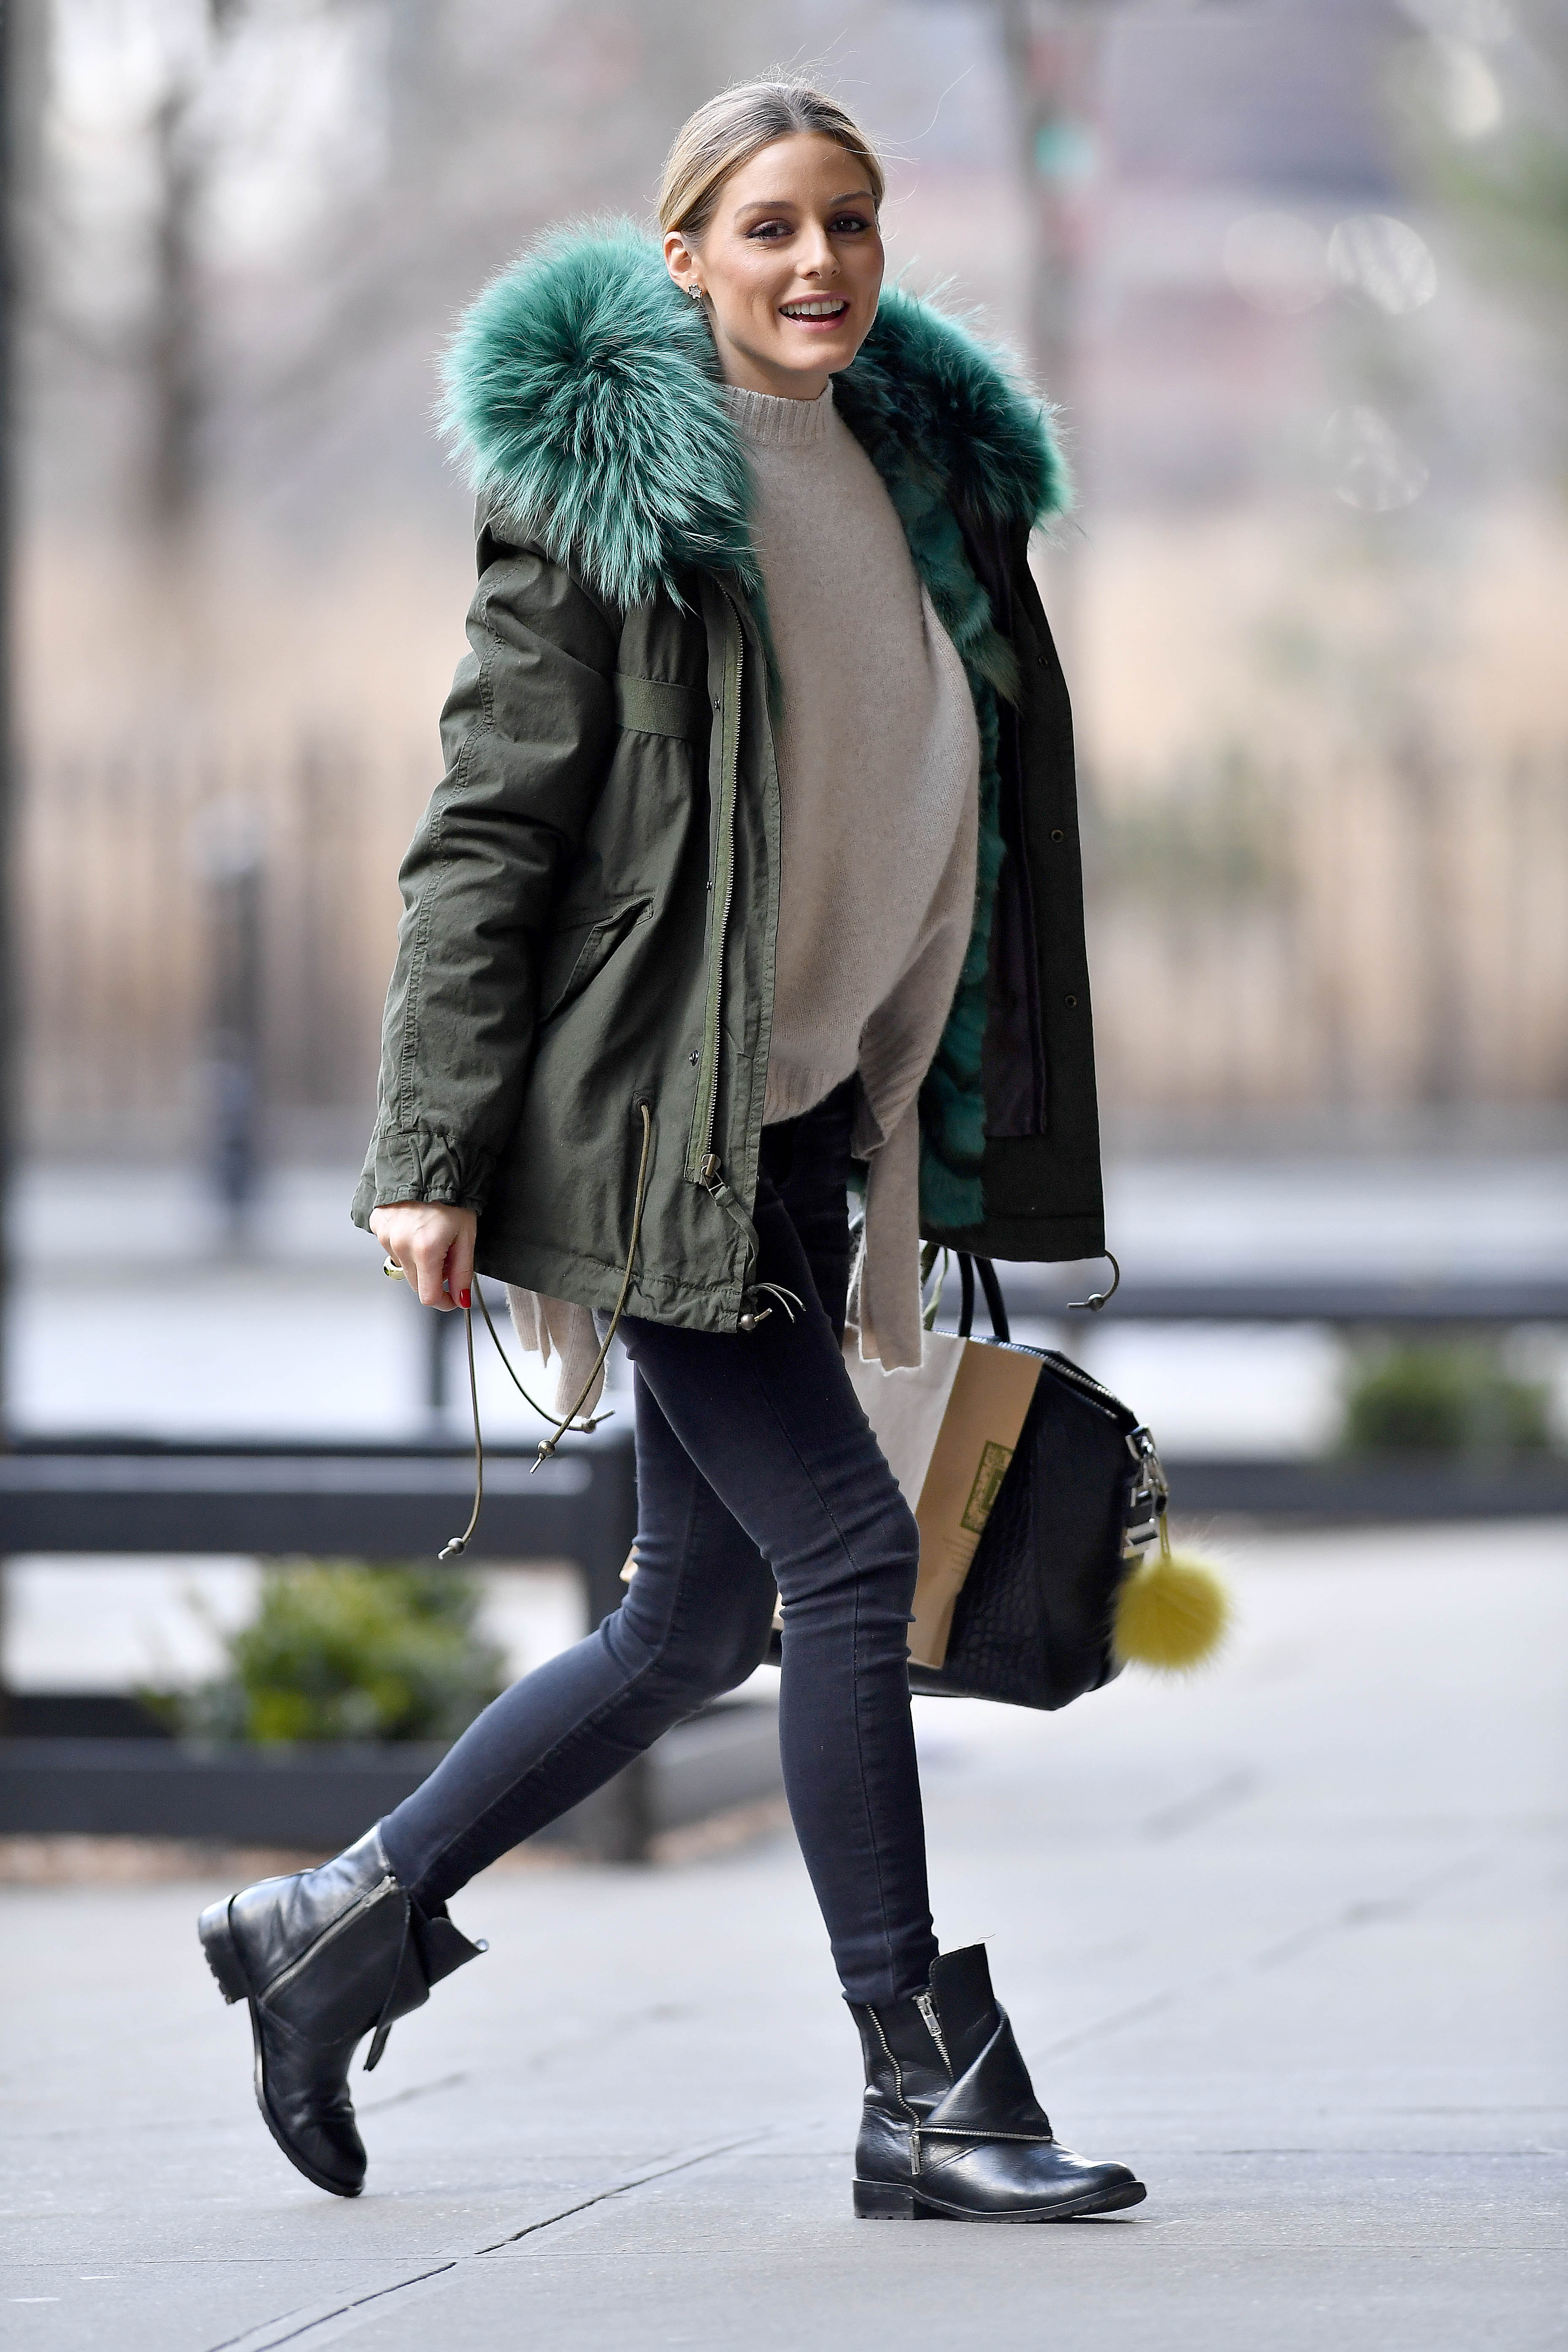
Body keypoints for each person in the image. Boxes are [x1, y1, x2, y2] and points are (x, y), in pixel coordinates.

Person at [198, 79, 1143, 2225]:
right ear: (685, 256)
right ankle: (920, 2081)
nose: (819, 263)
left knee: (692, 1620)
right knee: (847, 1561)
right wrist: (430, 1149)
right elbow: (488, 829)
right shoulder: (614, 496)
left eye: (852, 223)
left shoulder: (915, 487)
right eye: (772, 226)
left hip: (799, 1134)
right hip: (645, 1134)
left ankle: (330, 1934)